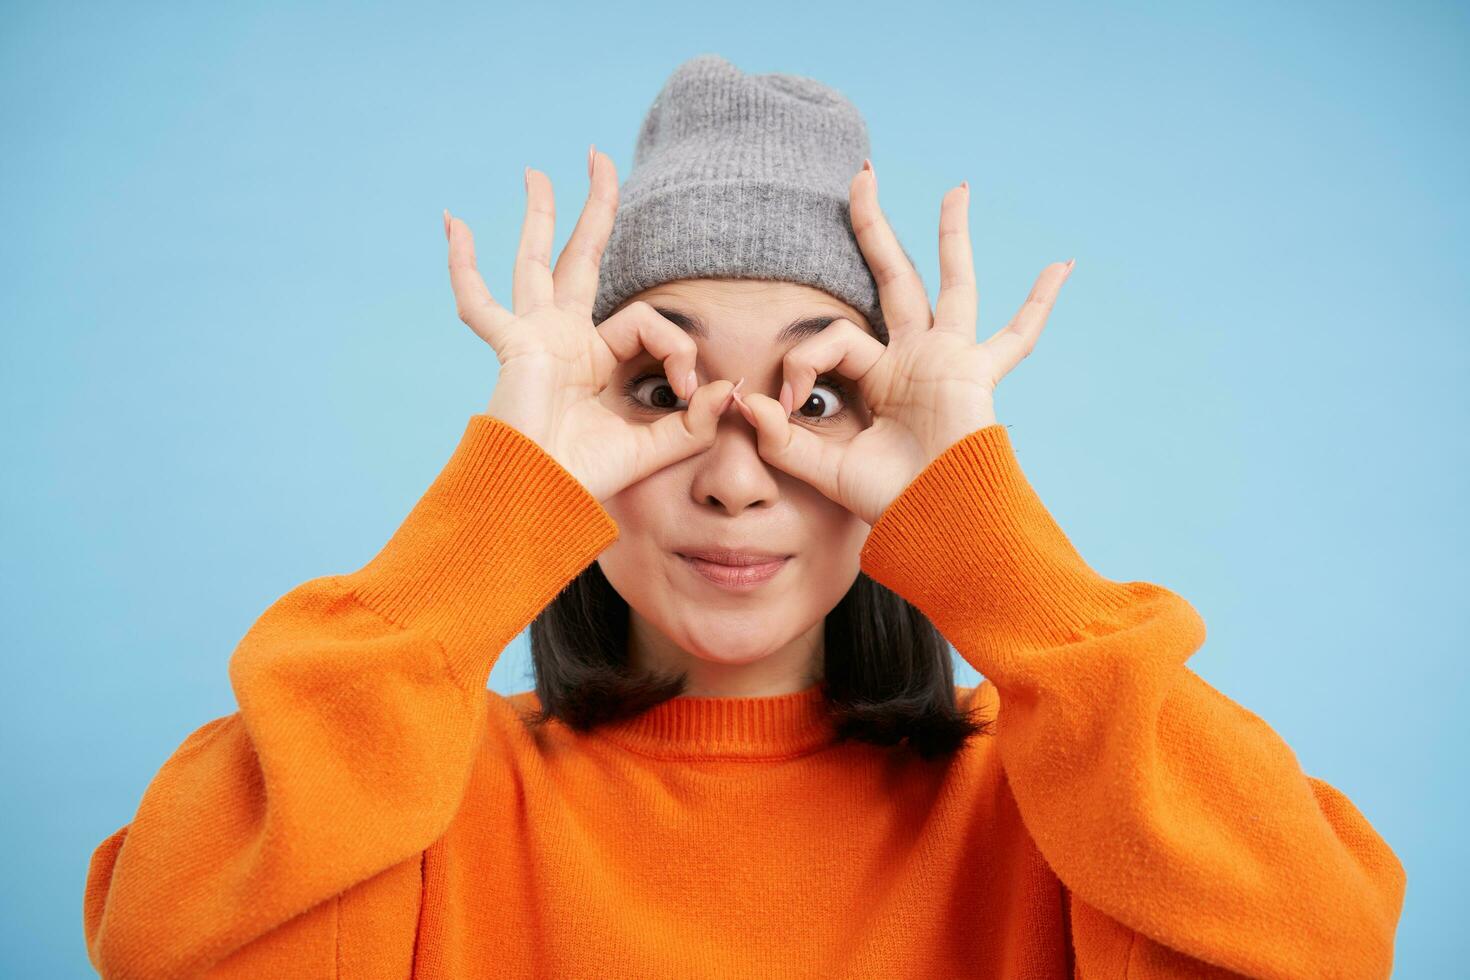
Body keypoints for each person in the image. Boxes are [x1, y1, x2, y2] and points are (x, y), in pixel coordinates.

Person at [83, 53, 1404, 979]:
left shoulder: (1065, 801)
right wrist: (502, 487)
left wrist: (984, 527)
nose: (733, 477)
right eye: (659, 391)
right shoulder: (413, 795)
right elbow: (169, 938)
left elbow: (1323, 942)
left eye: (816, 399)